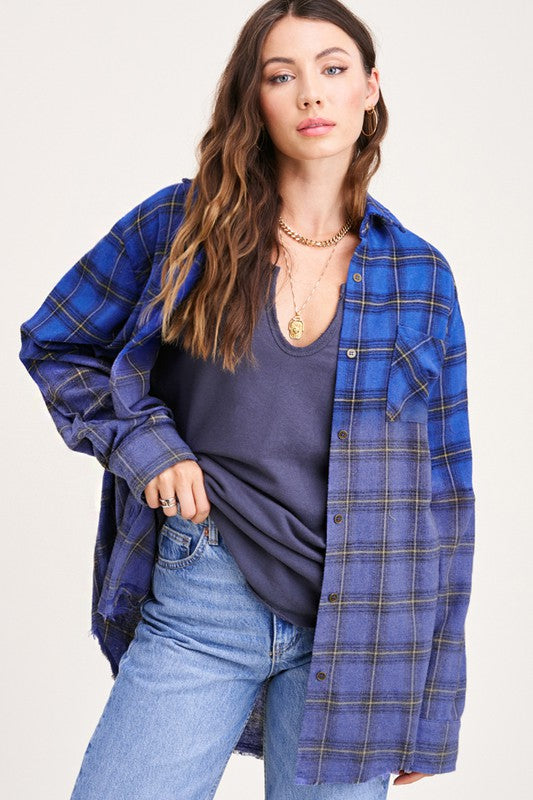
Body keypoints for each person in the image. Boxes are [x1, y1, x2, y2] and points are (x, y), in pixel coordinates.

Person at [18, 1, 476, 798]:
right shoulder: (183, 226)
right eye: (280, 75)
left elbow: (443, 497)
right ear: (253, 97)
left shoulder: (419, 277)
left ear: (368, 88)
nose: (311, 93)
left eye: (332, 69)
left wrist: (430, 704)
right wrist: (149, 448)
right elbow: (58, 344)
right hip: (203, 598)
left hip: (360, 633)